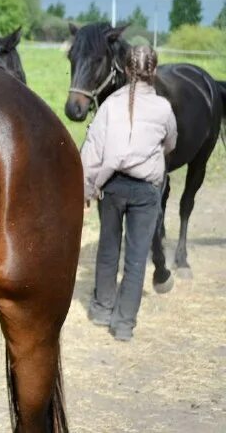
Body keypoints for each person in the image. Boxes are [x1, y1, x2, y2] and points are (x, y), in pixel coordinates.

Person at [80, 45, 177, 341]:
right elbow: (170, 143)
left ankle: (101, 309)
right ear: (154, 70)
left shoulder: (110, 105)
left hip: (111, 187)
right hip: (146, 191)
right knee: (136, 260)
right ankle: (123, 325)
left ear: (124, 69)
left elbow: (93, 149)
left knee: (108, 249)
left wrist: (86, 188)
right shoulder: (163, 108)